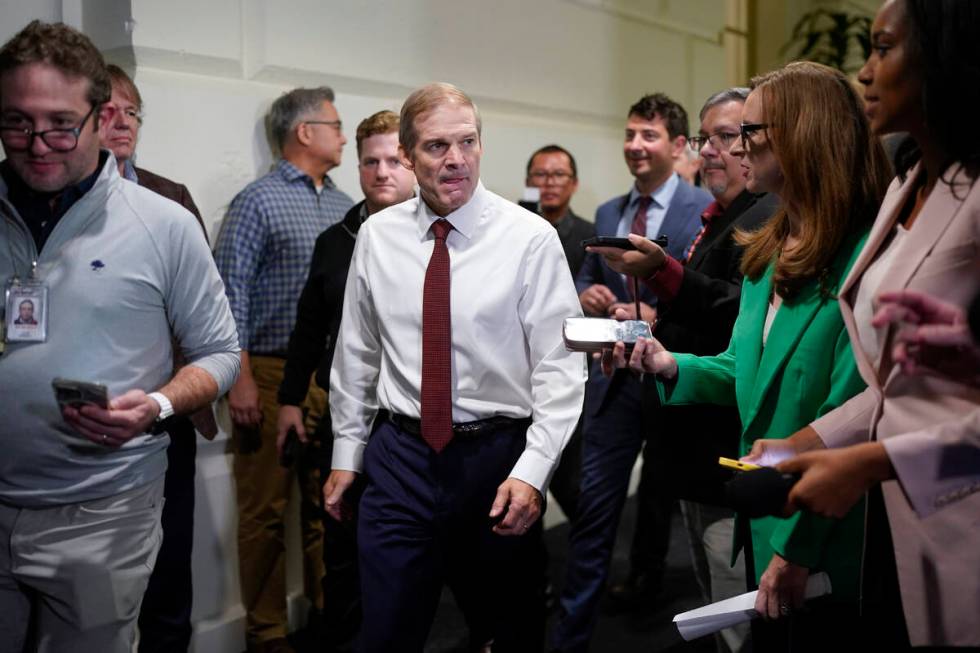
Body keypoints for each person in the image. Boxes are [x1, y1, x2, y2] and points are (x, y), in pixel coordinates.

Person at [609, 61, 892, 651]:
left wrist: (797, 548)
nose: (739, 146)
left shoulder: (866, 255)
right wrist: (670, 364)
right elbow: (746, 368)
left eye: (750, 132)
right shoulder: (768, 245)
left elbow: (850, 418)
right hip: (764, 507)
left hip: (829, 531)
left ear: (802, 138)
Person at [0, 20, 240, 653]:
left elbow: (221, 353)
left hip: (102, 511)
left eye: (59, 123)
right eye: (16, 122)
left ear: (97, 116)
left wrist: (159, 405)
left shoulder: (163, 222)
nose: (36, 143)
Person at [746, 1, 980, 647]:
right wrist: (809, 441)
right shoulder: (911, 181)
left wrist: (874, 461)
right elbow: (898, 384)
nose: (865, 72)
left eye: (882, 48)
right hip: (900, 519)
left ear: (943, 57)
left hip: (960, 510)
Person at [323, 82, 586, 652]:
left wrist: (533, 470)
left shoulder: (530, 239)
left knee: (510, 632)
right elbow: (357, 352)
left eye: (467, 142)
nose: (456, 160)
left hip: (496, 462)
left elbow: (559, 369)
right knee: (386, 632)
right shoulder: (378, 237)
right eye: (438, 146)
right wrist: (347, 454)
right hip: (399, 459)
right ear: (409, 155)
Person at [588, 86, 777, 653]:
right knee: (716, 604)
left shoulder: (765, 214)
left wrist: (665, 276)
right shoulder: (722, 214)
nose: (713, 151)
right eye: (707, 137)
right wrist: (646, 332)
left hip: (722, 449)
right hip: (691, 440)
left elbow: (734, 317)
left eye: (729, 136)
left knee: (737, 610)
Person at [553, 92, 710, 653]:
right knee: (595, 509)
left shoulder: (703, 207)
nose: (635, 146)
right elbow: (583, 276)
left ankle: (652, 591)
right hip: (613, 379)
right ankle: (572, 633)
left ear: (677, 145)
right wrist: (585, 293)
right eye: (630, 135)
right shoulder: (607, 213)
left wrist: (656, 313)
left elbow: (710, 299)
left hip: (673, 377)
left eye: (648, 136)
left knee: (666, 500)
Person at [214, 86, 353, 653]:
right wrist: (239, 377)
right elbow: (229, 294)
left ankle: (329, 614)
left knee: (329, 506)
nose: (343, 136)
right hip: (270, 374)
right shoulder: (258, 202)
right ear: (304, 132)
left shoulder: (345, 205)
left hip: (330, 377)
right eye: (336, 125)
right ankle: (266, 632)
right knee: (266, 511)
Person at [275, 109, 415, 652]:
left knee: (410, 552)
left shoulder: (437, 236)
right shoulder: (337, 240)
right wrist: (289, 399)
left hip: (411, 421)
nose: (383, 173)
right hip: (345, 413)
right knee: (341, 543)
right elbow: (309, 326)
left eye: (394, 161)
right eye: (370, 162)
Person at [98, 62, 216, 653]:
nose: (122, 123)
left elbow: (206, 317)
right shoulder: (58, 204)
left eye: (132, 112)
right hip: (84, 424)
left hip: (167, 413)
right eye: (109, 111)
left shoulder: (171, 199)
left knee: (170, 566)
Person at [525, 144, 595, 282]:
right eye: (540, 174)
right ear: (528, 183)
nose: (550, 182)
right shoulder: (515, 230)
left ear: (574, 184)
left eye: (559, 174)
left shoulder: (590, 235)